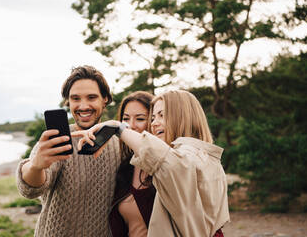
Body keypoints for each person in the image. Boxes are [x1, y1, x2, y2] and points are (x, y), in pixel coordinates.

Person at [73, 90, 230, 237]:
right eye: (153, 117)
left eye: (162, 115)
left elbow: (169, 164)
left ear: (183, 117)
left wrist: (118, 128)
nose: (154, 123)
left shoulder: (193, 159)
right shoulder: (129, 166)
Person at [16, 65, 122, 237]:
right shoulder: (58, 140)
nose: (83, 105)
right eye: (75, 99)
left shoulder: (120, 143)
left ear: (105, 99)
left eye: (92, 97)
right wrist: (36, 166)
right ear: (68, 103)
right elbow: (31, 189)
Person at [109, 91, 156, 237]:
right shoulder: (125, 168)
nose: (130, 126)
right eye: (125, 119)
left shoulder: (167, 166)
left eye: (140, 119)